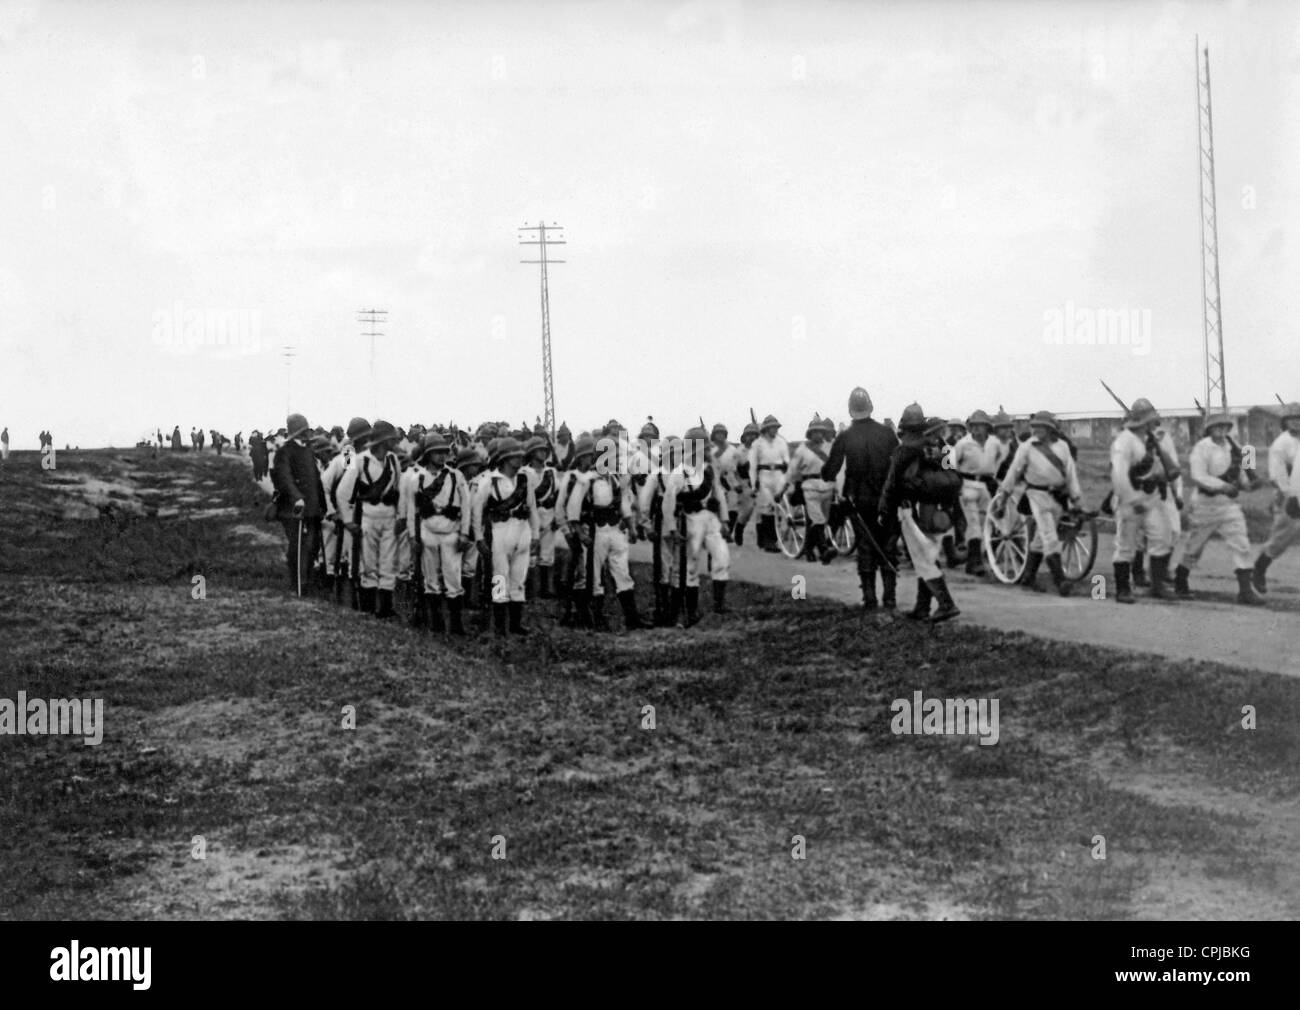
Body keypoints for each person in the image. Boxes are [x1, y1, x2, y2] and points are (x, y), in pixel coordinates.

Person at [879, 405, 962, 621]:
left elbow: (892, 483)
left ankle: (946, 604)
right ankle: (922, 607)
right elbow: (952, 476)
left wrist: (884, 509)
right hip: (938, 510)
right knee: (928, 556)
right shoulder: (942, 447)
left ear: (904, 427)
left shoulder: (903, 450)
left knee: (922, 559)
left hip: (912, 510)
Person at [822, 387, 900, 610]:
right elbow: (898, 463)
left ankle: (870, 597)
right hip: (886, 497)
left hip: (858, 499)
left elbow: (830, 470)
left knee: (866, 545)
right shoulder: (887, 434)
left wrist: (826, 475)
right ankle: (890, 598)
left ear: (850, 410)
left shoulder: (845, 436)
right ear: (871, 408)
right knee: (887, 544)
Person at [1176, 413, 1264, 605]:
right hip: (1205, 504)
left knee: (1241, 543)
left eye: (1224, 427)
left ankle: (1245, 591)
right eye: (1216, 427)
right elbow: (1198, 475)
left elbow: (1238, 476)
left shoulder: (1234, 448)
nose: (1221, 431)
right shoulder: (1202, 448)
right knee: (1195, 546)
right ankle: (1180, 579)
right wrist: (1223, 486)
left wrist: (1250, 485)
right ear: (1209, 430)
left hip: (1227, 505)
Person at [993, 410, 1083, 597]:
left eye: (1042, 427)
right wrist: (1004, 495)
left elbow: (1070, 475)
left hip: (1058, 496)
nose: (1037, 430)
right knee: (1049, 535)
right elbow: (1013, 473)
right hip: (1036, 494)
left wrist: (1076, 499)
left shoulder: (1063, 447)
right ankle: (1061, 581)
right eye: (1035, 427)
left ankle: (1028, 576)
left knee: (1040, 538)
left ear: (1051, 429)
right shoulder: (1026, 447)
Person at [567, 437, 642, 632]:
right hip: (596, 531)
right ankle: (596, 618)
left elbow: (624, 504)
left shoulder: (615, 478)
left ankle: (632, 617)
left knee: (622, 572)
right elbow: (573, 508)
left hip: (615, 529)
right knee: (594, 575)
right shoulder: (586, 480)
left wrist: (631, 526)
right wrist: (579, 533)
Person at [1108, 399, 1179, 603]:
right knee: (1125, 546)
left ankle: (1157, 586)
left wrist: (1161, 477)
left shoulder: (1150, 441)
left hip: (1151, 497)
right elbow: (1119, 475)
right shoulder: (1124, 441)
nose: (1153, 424)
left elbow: (1159, 468)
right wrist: (1131, 499)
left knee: (1162, 537)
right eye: (1150, 421)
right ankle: (1123, 590)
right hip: (1129, 500)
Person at [661, 425, 731, 624]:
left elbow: (719, 494)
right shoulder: (679, 473)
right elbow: (668, 503)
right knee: (690, 567)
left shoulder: (709, 470)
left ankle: (719, 604)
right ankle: (690, 611)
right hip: (690, 520)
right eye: (705, 448)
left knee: (722, 557)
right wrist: (673, 529)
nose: (709, 452)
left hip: (710, 519)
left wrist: (724, 520)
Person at [472, 437, 540, 635]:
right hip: (500, 532)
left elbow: (532, 508)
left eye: (520, 456)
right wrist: (478, 538)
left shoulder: (524, 479)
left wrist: (535, 535)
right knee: (499, 579)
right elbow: (477, 512)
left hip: (522, 530)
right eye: (514, 456)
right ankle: (500, 627)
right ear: (504, 458)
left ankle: (516, 624)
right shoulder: (489, 481)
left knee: (518, 579)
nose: (518, 460)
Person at [336, 418, 402, 618]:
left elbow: (397, 486)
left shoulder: (392, 459)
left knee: (388, 561)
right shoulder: (350, 454)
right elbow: (342, 484)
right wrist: (345, 516)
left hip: (387, 514)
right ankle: (364, 604)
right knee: (362, 562)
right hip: (363, 511)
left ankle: (385, 607)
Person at [408, 432, 473, 635]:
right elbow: (412, 510)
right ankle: (435, 622)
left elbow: (467, 506)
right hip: (428, 530)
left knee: (453, 578)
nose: (441, 457)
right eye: (436, 453)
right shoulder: (416, 478)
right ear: (427, 454)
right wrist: (413, 536)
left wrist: (464, 533)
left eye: (444, 452)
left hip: (450, 530)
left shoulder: (455, 475)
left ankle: (456, 624)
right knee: (430, 579)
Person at [271, 413, 325, 596]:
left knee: (312, 545)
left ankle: (307, 579)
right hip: (293, 509)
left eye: (306, 432)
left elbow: (316, 479)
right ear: (296, 433)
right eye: (302, 432)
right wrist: (297, 497)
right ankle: (297, 583)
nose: (305, 435)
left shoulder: (309, 451)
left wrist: (323, 504)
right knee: (297, 546)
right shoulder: (284, 452)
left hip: (312, 508)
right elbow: (285, 478)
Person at [1251, 401, 1300, 594]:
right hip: (1290, 497)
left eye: (1299, 419)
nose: (1296, 423)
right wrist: (1290, 496)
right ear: (1285, 422)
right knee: (1281, 539)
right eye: (1292, 420)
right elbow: (1277, 475)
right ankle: (1259, 568)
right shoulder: (1281, 444)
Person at [951, 409, 1007, 577]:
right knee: (973, 523)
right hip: (967, 485)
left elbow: (1000, 459)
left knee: (986, 523)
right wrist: (956, 482)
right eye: (973, 425)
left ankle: (979, 556)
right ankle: (975, 563)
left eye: (980, 426)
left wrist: (993, 475)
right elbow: (951, 464)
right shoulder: (962, 444)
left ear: (986, 427)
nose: (976, 429)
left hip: (985, 485)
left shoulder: (995, 443)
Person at [787, 415, 838, 563]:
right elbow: (792, 470)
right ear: (810, 433)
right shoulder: (802, 450)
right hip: (809, 486)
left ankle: (809, 549)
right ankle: (823, 550)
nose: (818, 434)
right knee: (817, 519)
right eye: (815, 431)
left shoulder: (829, 448)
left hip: (827, 486)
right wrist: (790, 486)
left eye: (821, 431)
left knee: (820, 521)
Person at [524, 435, 561, 599]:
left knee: (547, 553)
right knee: (528, 553)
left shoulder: (551, 472)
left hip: (549, 514)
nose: (543, 453)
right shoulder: (524, 472)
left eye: (545, 450)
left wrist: (557, 518)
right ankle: (527, 588)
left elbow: (558, 494)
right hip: (532, 515)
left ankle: (545, 589)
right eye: (539, 450)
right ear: (532, 453)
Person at [748, 415, 790, 552]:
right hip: (764, 476)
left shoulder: (781, 442)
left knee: (780, 505)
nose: (775, 430)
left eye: (776, 427)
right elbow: (752, 466)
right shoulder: (757, 444)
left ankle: (776, 537)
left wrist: (789, 478)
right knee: (767, 507)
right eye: (772, 428)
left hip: (778, 475)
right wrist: (754, 485)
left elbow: (787, 461)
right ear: (766, 429)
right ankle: (769, 541)